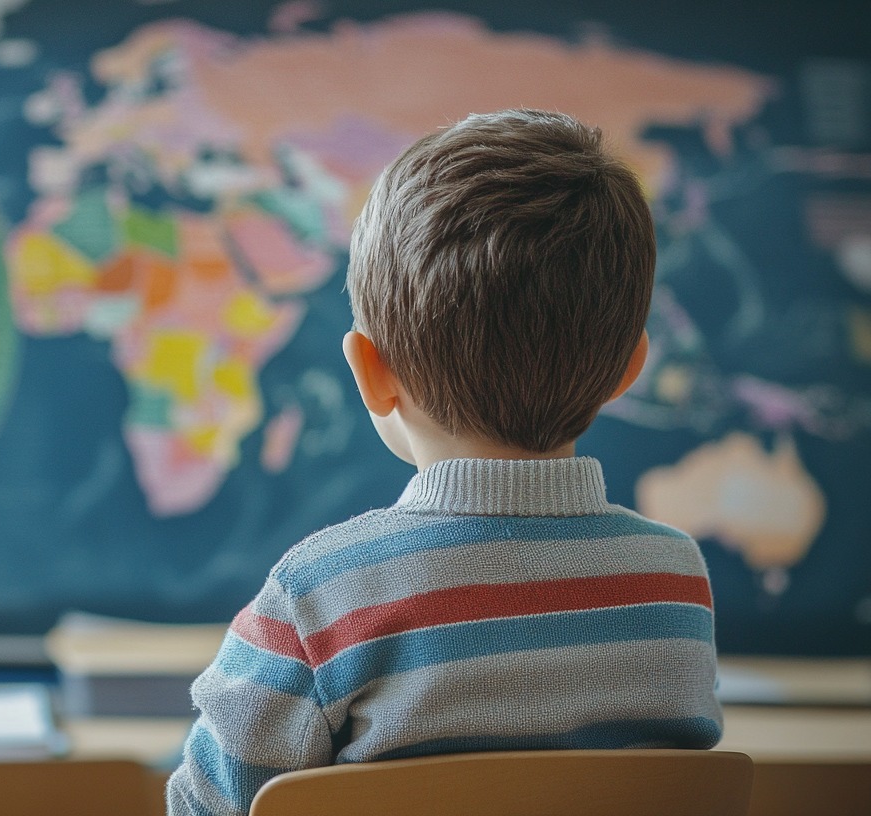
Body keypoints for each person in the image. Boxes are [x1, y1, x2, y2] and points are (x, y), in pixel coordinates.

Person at [165, 109, 723, 816]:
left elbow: (206, 806)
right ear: (628, 370)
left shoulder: (317, 598)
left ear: (373, 371)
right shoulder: (672, 583)